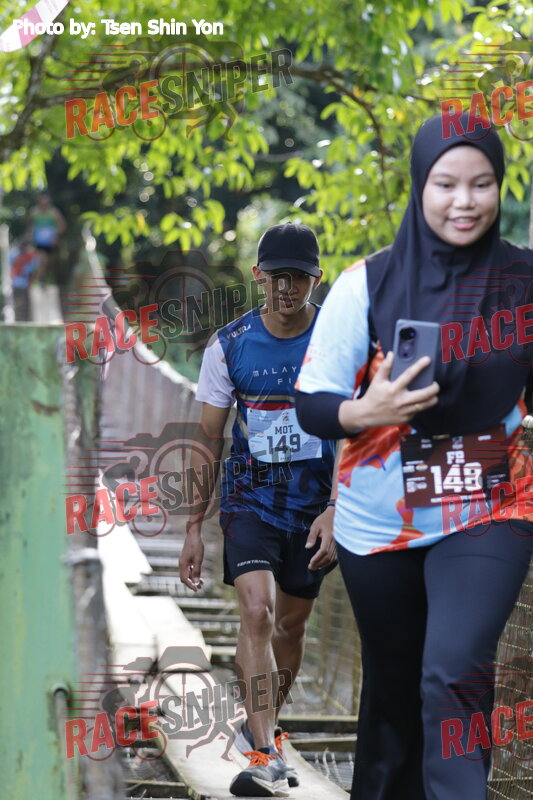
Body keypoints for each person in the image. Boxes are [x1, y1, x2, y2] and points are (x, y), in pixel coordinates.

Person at [294, 114, 533, 800]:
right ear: (419, 185)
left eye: (481, 183)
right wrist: (361, 413)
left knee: (453, 672)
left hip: (490, 504)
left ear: (499, 187)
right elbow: (312, 401)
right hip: (378, 519)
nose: (465, 201)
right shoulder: (366, 284)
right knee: (395, 692)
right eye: (446, 184)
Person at [179, 223, 338, 797]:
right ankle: (264, 750)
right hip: (250, 500)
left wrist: (337, 507)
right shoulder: (230, 345)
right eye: (276, 277)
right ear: (258, 276)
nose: (287, 287)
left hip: (315, 506)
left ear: (316, 278)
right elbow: (207, 440)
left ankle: (263, 722)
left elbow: (360, 431)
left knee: (291, 626)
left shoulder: (338, 339)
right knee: (257, 612)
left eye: (298, 277)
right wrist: (193, 527)